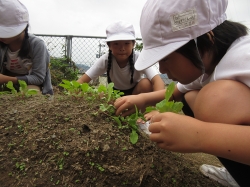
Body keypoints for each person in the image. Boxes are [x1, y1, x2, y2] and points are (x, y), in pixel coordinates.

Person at [114, 0, 250, 186]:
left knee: (213, 100)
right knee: (190, 96)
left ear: (205, 39)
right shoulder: (209, 63)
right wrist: (141, 100)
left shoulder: (244, 59)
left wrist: (199, 135)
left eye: (166, 58)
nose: (161, 68)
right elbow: (176, 91)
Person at [77, 21, 165, 96]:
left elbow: (157, 80)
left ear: (133, 44)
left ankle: (140, 111)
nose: (122, 48)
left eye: (127, 43)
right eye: (116, 44)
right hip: (114, 95)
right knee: (101, 94)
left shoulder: (139, 58)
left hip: (135, 95)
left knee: (146, 83)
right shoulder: (106, 60)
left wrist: (159, 106)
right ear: (109, 45)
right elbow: (82, 80)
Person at [0, 0, 53, 95]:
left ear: (23, 28)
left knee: (31, 94)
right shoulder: (2, 45)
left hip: (30, 84)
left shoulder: (36, 45)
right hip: (6, 85)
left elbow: (38, 78)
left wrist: (7, 79)